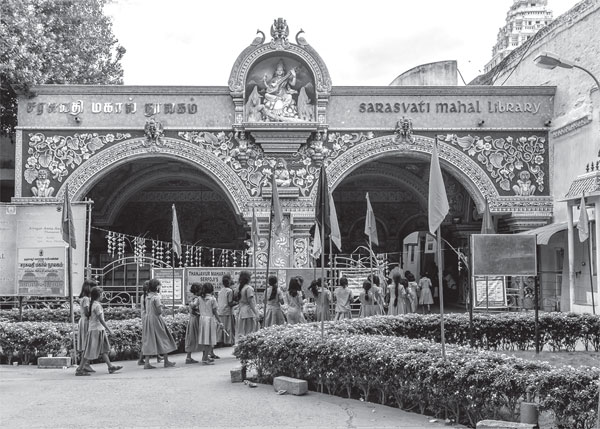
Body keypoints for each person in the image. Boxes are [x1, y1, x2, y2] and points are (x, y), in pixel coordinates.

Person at [75, 286, 122, 376]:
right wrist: (110, 330)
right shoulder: (97, 306)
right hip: (97, 330)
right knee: (88, 351)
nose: (103, 296)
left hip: (96, 329)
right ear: (99, 295)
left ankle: (110, 366)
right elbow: (101, 320)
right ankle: (80, 369)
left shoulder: (92, 304)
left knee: (103, 350)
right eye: (102, 294)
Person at [141, 278, 177, 369]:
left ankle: (147, 363)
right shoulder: (156, 297)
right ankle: (166, 361)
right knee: (164, 338)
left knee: (149, 340)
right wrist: (162, 308)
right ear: (157, 287)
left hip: (148, 319)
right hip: (156, 320)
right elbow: (159, 311)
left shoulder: (147, 296)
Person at [197, 283, 224, 365]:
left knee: (204, 339)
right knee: (209, 341)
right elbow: (215, 312)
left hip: (202, 320)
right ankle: (205, 359)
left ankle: (205, 357)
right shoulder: (213, 299)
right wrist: (220, 322)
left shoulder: (199, 298)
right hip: (210, 320)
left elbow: (194, 306)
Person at [77, 279, 96, 373]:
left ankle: (86, 364)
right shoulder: (86, 299)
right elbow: (87, 312)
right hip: (86, 322)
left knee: (87, 344)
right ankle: (84, 365)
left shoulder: (86, 298)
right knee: (87, 344)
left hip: (85, 321)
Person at [235, 270, 259, 340]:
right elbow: (251, 302)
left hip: (241, 312)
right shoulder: (249, 288)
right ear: (248, 278)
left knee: (242, 332)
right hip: (248, 312)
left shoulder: (239, 288)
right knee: (250, 333)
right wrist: (256, 313)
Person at [184, 282, 202, 364]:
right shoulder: (197, 299)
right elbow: (194, 308)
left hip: (192, 319)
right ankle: (205, 356)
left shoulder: (192, 298)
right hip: (196, 319)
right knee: (200, 337)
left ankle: (188, 356)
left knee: (191, 337)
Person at [217, 274, 236, 346]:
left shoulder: (220, 291)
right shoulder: (230, 291)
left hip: (221, 311)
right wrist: (237, 302)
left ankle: (220, 341)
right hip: (228, 312)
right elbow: (230, 303)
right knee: (229, 327)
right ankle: (229, 341)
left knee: (222, 328)